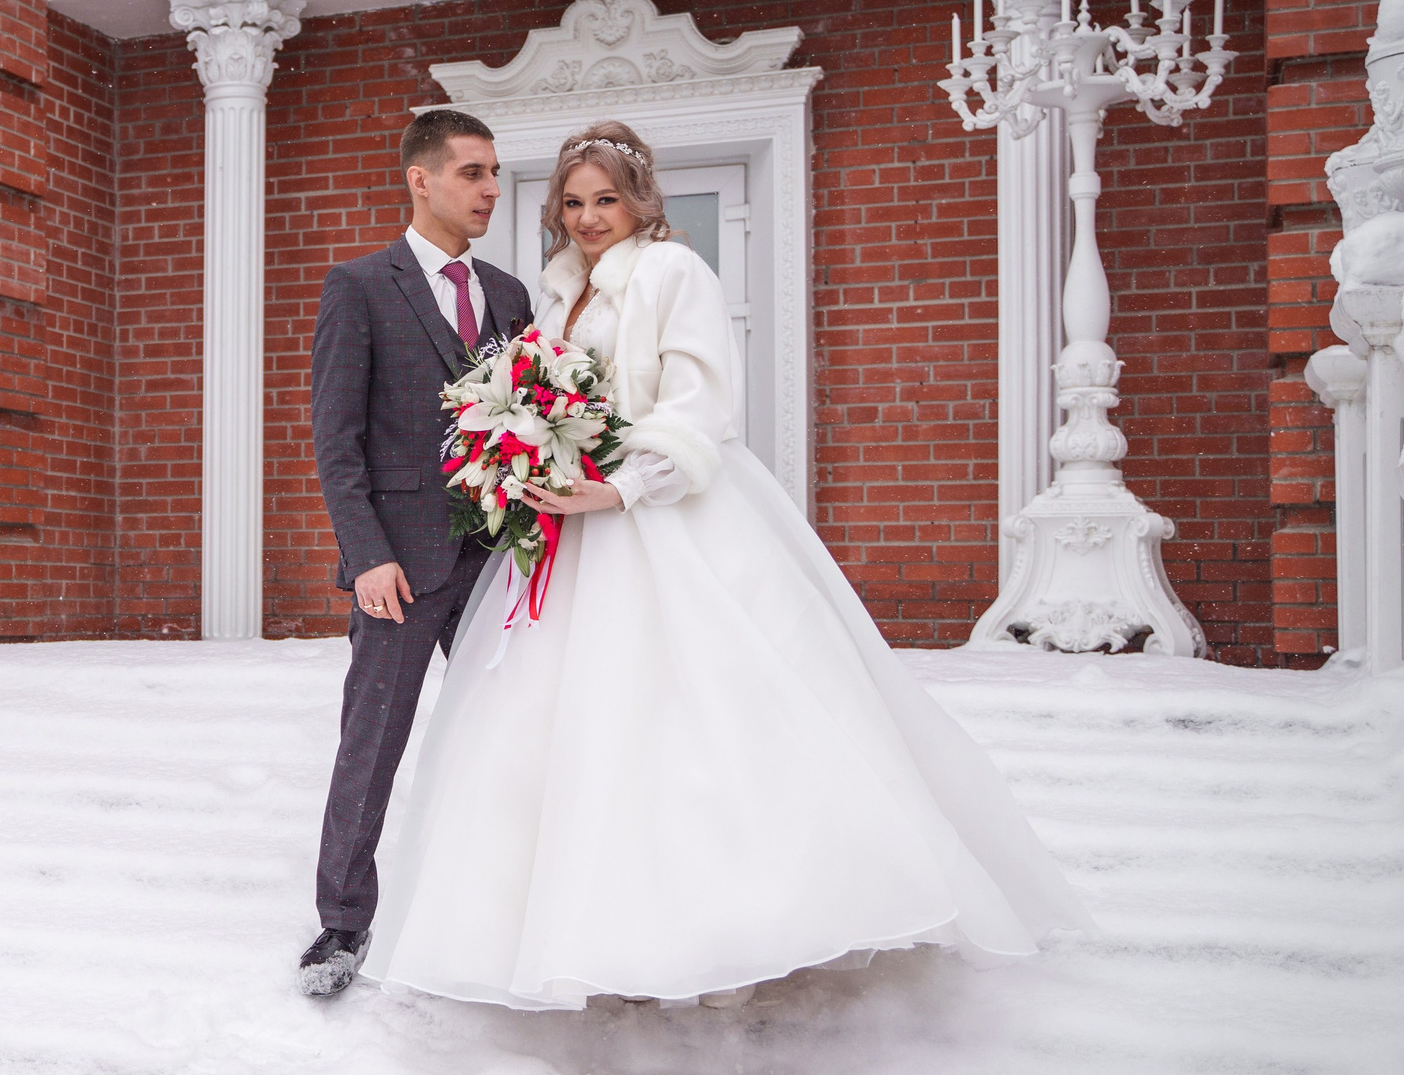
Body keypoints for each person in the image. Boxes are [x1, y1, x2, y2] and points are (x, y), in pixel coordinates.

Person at [356, 121, 1093, 1010]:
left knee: (705, 715)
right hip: (574, 530)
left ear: (640, 201)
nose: (590, 218)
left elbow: (698, 406)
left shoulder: (673, 272)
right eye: (575, 202)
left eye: (607, 199)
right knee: (575, 730)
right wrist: (537, 466)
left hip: (664, 516)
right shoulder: (555, 295)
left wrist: (620, 488)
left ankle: (747, 922)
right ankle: (597, 926)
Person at [301, 108, 535, 997]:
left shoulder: (510, 297)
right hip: (397, 564)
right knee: (375, 739)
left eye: (493, 173)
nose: (489, 189)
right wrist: (365, 555)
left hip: (493, 562)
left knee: (505, 737)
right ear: (421, 179)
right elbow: (336, 439)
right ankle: (341, 925)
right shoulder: (359, 286)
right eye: (472, 172)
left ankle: (495, 910)